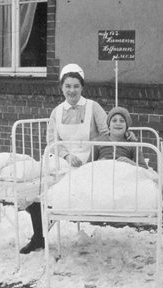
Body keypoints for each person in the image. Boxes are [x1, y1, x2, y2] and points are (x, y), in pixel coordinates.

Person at [20, 63, 109, 254]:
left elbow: (106, 133)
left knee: (68, 188)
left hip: (89, 158)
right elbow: (52, 142)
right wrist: (67, 156)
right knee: (39, 186)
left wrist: (91, 155)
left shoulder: (93, 107)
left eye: (76, 86)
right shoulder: (57, 112)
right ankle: (38, 236)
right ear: (61, 87)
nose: (72, 90)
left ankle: (51, 217)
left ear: (82, 87)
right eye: (68, 86)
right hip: (64, 158)